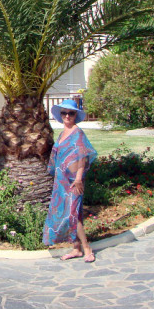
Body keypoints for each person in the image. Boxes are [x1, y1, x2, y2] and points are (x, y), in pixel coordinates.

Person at [43, 99, 98, 263]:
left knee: (72, 213)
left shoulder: (77, 133)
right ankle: (76, 248)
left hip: (74, 180)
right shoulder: (62, 134)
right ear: (61, 115)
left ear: (76, 115)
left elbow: (83, 157)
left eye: (71, 113)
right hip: (62, 181)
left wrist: (79, 178)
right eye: (64, 113)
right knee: (72, 213)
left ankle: (87, 249)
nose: (67, 116)